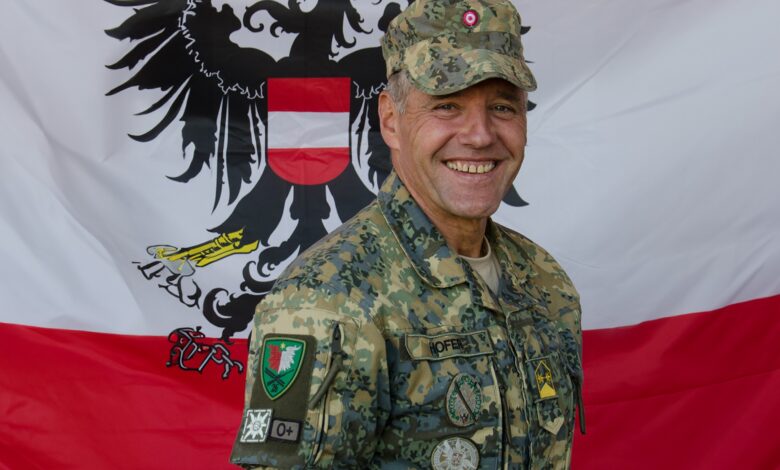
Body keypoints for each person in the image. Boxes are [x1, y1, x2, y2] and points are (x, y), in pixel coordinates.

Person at [231, 0, 584, 468]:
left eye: (502, 107)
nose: (480, 135)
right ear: (391, 120)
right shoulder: (326, 301)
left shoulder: (543, 282)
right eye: (447, 105)